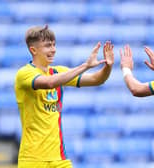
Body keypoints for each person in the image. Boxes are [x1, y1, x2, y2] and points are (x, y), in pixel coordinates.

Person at [14, 25, 114, 168]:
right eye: (48, 46)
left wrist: (108, 66)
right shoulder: (24, 74)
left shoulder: (58, 72)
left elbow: (96, 80)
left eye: (54, 45)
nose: (53, 49)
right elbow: (50, 83)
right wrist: (86, 65)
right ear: (33, 50)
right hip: (33, 158)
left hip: (60, 158)